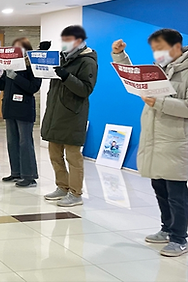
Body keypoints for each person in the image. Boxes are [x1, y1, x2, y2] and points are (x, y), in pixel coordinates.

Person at [112, 29, 188, 257]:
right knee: (160, 188)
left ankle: (179, 238)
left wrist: (160, 103)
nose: (157, 53)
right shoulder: (162, 68)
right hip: (155, 138)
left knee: (176, 193)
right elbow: (137, 76)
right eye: (154, 49)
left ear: (177, 46)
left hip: (177, 140)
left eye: (161, 48)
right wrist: (120, 56)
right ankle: (166, 228)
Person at [42, 25, 98, 206]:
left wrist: (66, 76)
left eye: (68, 40)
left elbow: (85, 89)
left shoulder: (87, 61)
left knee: (73, 157)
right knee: (54, 155)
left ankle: (76, 193)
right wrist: (39, 53)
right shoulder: (61, 58)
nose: (64, 43)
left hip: (73, 114)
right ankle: (62, 186)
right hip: (55, 112)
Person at [0, 37, 42, 187]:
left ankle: (29, 176)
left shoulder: (32, 65)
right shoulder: (10, 65)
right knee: (12, 142)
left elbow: (33, 87)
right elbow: (2, 85)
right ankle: (16, 172)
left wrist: (16, 77)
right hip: (10, 108)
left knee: (25, 142)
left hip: (24, 109)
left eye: (19, 48)